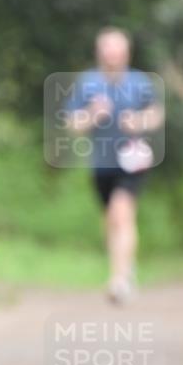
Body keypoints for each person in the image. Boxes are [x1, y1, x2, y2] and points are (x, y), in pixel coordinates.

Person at [65, 27, 163, 304]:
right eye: (107, 49)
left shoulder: (140, 82)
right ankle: (125, 268)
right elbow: (72, 124)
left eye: (117, 50)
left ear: (126, 53)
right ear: (99, 52)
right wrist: (92, 114)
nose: (112, 55)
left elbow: (156, 115)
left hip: (132, 162)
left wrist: (139, 121)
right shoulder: (87, 83)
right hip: (101, 164)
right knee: (110, 219)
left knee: (122, 213)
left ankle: (118, 280)